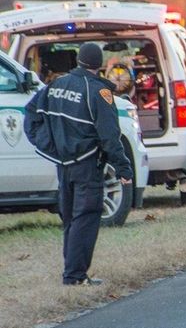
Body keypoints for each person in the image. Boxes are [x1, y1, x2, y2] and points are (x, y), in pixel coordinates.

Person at [24, 42, 133, 286]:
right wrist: (124, 168)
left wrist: (53, 149)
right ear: (101, 64)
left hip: (64, 165)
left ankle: (71, 272)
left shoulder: (56, 85)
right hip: (87, 165)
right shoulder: (98, 92)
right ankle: (75, 276)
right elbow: (109, 136)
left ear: (79, 61)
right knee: (86, 217)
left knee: (71, 218)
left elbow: (31, 114)